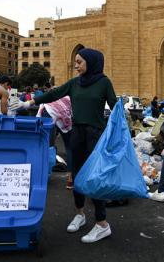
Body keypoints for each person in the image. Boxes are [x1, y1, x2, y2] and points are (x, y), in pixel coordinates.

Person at [15, 48, 117, 243]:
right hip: (76, 132)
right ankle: (80, 214)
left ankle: (103, 224)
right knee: (76, 175)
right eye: (76, 62)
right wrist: (30, 103)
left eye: (80, 62)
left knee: (95, 177)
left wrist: (121, 129)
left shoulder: (104, 82)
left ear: (92, 62)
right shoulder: (74, 83)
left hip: (95, 135)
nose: (76, 65)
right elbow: (55, 93)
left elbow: (115, 107)